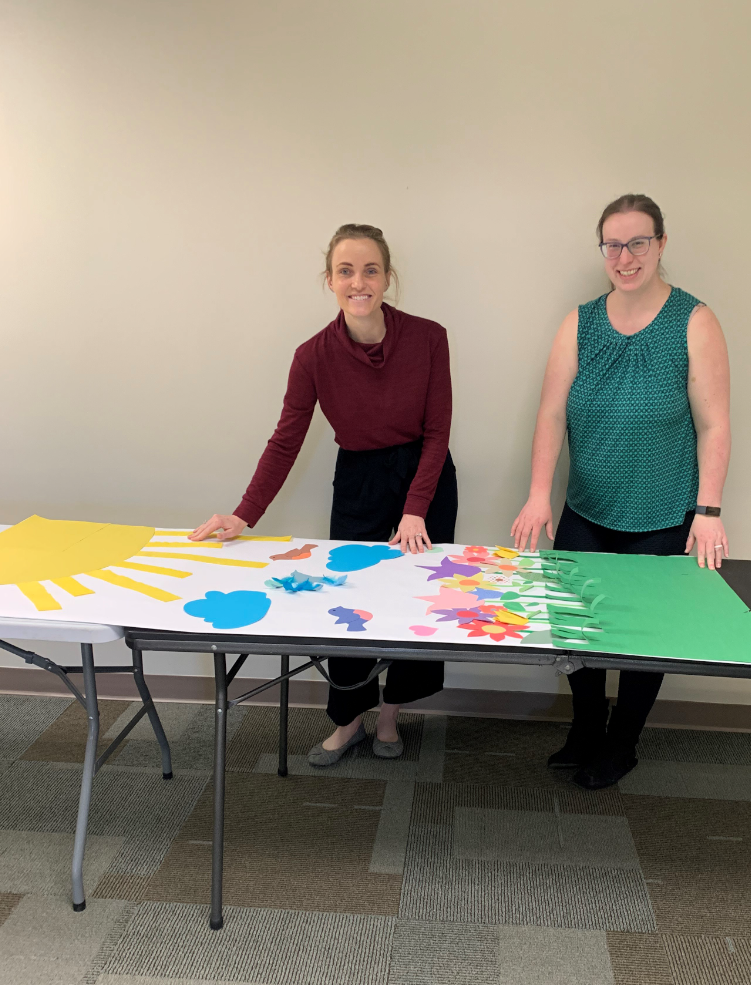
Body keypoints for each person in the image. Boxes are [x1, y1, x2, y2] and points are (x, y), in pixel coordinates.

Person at [190, 224, 457, 765]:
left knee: (413, 602)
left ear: (388, 277)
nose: (358, 282)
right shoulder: (312, 356)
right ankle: (348, 722)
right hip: (358, 481)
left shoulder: (429, 337)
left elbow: (438, 432)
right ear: (330, 280)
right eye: (345, 271)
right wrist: (245, 513)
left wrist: (414, 509)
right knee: (351, 604)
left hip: (425, 482)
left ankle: (390, 718)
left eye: (370, 269)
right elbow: (286, 439)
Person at [511, 193, 731, 790]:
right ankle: (586, 726)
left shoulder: (694, 321)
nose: (626, 256)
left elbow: (714, 423)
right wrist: (538, 494)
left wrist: (708, 511)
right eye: (614, 244)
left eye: (638, 242)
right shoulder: (578, 323)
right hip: (588, 505)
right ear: (602, 250)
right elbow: (552, 412)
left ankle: (623, 741)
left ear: (661, 244)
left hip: (663, 512)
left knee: (643, 636)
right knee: (576, 627)